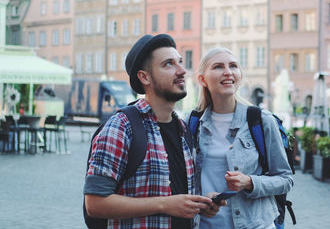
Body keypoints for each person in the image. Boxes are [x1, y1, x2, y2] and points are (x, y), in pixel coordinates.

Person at [84, 34, 221, 229]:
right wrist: (165, 204)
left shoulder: (183, 129)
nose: (182, 70)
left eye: (180, 62)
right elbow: (95, 204)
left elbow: (177, 196)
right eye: (168, 64)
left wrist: (199, 203)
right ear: (145, 77)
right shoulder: (122, 126)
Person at [191, 47, 294, 229]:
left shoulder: (261, 121)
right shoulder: (191, 124)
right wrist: (199, 200)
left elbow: (285, 179)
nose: (228, 72)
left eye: (233, 66)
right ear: (202, 79)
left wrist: (250, 182)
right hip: (206, 224)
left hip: (256, 225)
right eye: (218, 67)